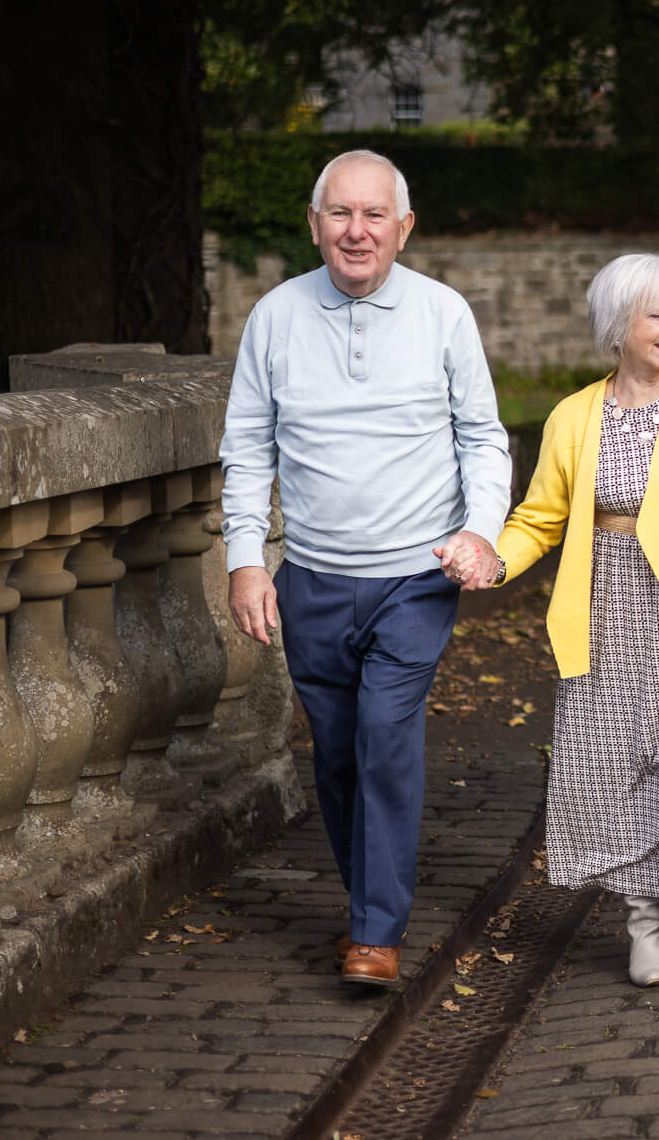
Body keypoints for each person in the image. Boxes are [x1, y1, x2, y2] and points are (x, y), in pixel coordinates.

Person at [220, 150, 511, 989]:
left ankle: (375, 931)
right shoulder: (274, 316)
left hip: (415, 576)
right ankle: (372, 900)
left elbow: (482, 438)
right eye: (340, 214)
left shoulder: (443, 313)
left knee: (385, 736)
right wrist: (246, 562)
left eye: (374, 214)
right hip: (311, 578)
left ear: (403, 227)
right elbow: (247, 447)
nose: (357, 231)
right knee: (339, 756)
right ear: (314, 225)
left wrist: (479, 531)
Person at [469, 254, 659, 990]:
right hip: (608, 607)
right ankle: (643, 922)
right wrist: (493, 560)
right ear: (618, 322)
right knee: (621, 771)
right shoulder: (574, 414)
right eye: (658, 315)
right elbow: (539, 518)